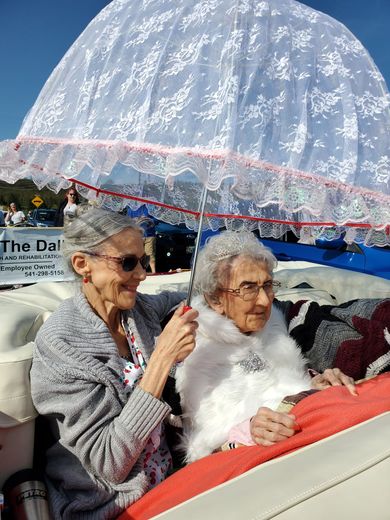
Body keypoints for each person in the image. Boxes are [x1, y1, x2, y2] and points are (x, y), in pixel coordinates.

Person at [30, 206, 198, 519]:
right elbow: (109, 464)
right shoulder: (61, 345)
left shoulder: (137, 311)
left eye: (143, 261)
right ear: (83, 265)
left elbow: (183, 297)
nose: (142, 275)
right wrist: (162, 360)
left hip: (170, 479)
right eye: (128, 263)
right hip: (111, 504)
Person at [175, 231, 356, 463]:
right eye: (248, 288)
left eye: (268, 285)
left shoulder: (274, 327)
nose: (264, 300)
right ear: (215, 299)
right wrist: (247, 431)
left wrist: (313, 385)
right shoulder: (194, 350)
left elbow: (283, 389)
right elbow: (205, 448)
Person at [127, 205, 157, 273]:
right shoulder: (131, 208)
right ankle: (140, 271)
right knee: (138, 254)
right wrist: (136, 220)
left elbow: (155, 220)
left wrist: (148, 220)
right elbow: (128, 221)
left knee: (150, 254)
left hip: (149, 235)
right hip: (137, 235)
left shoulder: (150, 206)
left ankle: (154, 272)